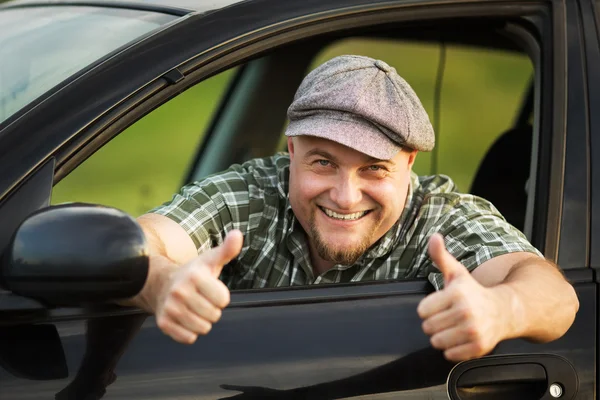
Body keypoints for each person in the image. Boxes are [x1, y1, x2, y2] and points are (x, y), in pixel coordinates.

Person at [122, 55, 579, 362]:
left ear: (409, 165)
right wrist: (159, 280)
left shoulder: (440, 218)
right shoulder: (249, 194)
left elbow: (555, 296)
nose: (345, 196)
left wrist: (502, 309)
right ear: (291, 151)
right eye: (324, 162)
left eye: (375, 169)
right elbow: (151, 238)